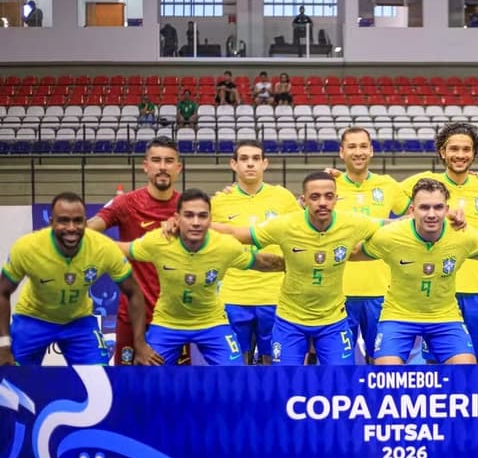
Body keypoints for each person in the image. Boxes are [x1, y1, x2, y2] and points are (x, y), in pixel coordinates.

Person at [217, 172, 380, 366]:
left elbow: (389, 226)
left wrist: (414, 220)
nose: (322, 202)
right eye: (315, 197)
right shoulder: (286, 225)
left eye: (329, 196)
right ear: (303, 200)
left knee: (341, 381)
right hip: (290, 322)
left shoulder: (353, 223)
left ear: (336, 199)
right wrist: (195, 227)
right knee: (284, 382)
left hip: (334, 322)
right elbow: (238, 233)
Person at [121, 189, 284, 366]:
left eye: (202, 216)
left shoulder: (225, 246)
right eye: (189, 216)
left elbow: (264, 263)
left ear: (210, 219)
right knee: (147, 375)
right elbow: (121, 249)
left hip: (212, 323)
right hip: (167, 323)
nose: (196, 222)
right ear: (177, 218)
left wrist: (297, 263)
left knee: (235, 374)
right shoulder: (159, 241)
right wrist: (88, 241)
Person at [0, 192, 157, 366]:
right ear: (51, 222)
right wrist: (3, 346)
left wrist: (140, 344)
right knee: (11, 376)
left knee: (101, 378)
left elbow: (133, 292)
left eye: (78, 221)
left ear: (85, 221)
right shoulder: (27, 247)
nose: (71, 228)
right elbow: (2, 292)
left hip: (78, 322)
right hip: (33, 319)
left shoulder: (103, 248)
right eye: (64, 221)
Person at [401, 123, 478, 362]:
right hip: (438, 290)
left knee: (477, 359)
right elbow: (381, 196)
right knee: (435, 360)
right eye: (453, 148)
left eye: (466, 149)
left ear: (474, 153)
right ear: (442, 152)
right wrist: (340, 178)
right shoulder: (425, 183)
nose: (460, 155)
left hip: (477, 289)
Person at [358, 179, 478, 365]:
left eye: (438, 207)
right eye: (424, 207)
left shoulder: (463, 237)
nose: (431, 214)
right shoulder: (390, 236)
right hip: (398, 316)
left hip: (445, 317)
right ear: (412, 211)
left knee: (466, 371)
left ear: (447, 210)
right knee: (387, 375)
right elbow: (352, 252)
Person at [88, 136, 184, 365]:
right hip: (132, 314)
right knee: (126, 387)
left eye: (169, 161)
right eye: (156, 160)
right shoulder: (126, 203)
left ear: (178, 168)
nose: (162, 167)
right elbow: (87, 231)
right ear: (145, 165)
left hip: (176, 317)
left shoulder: (187, 208)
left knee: (174, 388)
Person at [211, 140, 299, 365]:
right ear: (234, 164)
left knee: (273, 364)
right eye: (244, 159)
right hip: (233, 296)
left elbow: (301, 233)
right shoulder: (218, 202)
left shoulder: (283, 198)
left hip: (275, 296)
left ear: (265, 163)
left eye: (256, 159)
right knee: (238, 365)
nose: (250, 164)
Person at [329, 128, 409, 363]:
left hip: (382, 292)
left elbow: (414, 218)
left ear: (371, 150)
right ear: (341, 152)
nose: (358, 152)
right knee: (340, 364)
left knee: (382, 362)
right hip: (338, 293)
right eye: (352, 147)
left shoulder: (388, 185)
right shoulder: (329, 187)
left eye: (363, 146)